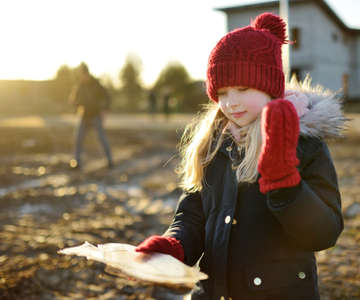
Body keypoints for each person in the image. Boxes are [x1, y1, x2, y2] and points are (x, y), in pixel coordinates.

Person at [135, 13, 345, 299]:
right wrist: (175, 245)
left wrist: (285, 185)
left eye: (243, 89)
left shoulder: (304, 144)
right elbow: (193, 213)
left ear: (269, 86)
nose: (231, 102)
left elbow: (324, 233)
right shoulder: (214, 143)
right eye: (221, 92)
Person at [69, 63, 113, 169]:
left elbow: (107, 96)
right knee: (78, 138)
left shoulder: (96, 84)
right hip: (84, 115)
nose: (82, 77)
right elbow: (73, 99)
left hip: (95, 115)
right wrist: (76, 104)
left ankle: (110, 160)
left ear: (87, 73)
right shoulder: (80, 85)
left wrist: (105, 109)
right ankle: (77, 161)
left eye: (83, 74)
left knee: (102, 138)